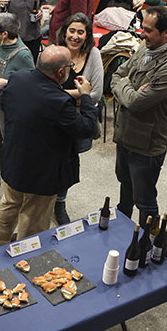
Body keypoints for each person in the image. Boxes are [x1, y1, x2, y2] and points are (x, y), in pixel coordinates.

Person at [0, 46, 98, 246]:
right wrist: (85, 96)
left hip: (14, 164)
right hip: (41, 177)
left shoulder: (17, 79)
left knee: (7, 212)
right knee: (33, 227)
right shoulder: (59, 102)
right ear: (60, 72)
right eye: (69, 66)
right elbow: (86, 128)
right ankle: (23, 264)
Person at [111, 6, 167, 228]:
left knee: (143, 199)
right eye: (142, 28)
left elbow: (135, 102)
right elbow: (117, 74)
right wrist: (129, 87)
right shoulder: (146, 48)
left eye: (148, 30)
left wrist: (125, 86)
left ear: (166, 33)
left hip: (146, 146)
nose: (141, 34)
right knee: (125, 186)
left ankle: (147, 242)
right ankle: (120, 228)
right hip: (126, 136)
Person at [54, 12, 104, 224]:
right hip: (54, 116)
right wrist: (79, 93)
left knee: (68, 162)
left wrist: (60, 95)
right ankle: (47, 197)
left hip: (77, 118)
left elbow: (96, 93)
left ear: (87, 35)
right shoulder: (55, 52)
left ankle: (60, 203)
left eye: (80, 32)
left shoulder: (94, 55)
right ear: (64, 32)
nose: (75, 36)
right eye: (71, 31)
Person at [0, 12, 36, 171]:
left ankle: (13, 178)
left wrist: (8, 83)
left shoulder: (23, 55)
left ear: (5, 34)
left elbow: (32, 84)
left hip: (9, 107)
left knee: (10, 143)